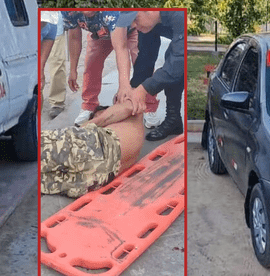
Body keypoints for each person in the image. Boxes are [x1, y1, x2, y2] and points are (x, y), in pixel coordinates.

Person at [61, 11, 155, 126]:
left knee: (142, 63)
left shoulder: (111, 11)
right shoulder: (69, 11)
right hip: (100, 34)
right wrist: (72, 70)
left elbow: (121, 48)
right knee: (91, 63)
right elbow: (74, 38)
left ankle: (149, 107)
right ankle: (89, 105)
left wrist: (124, 86)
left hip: (129, 31)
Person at [41, 100, 144, 198]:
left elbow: (129, 106)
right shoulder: (134, 130)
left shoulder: (130, 108)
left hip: (101, 145)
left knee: (37, 146)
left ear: (101, 112)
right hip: (102, 176)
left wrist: (84, 127)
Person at [116, 11, 184, 141]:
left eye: (135, 19)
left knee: (174, 61)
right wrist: (132, 91)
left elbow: (178, 62)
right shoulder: (146, 24)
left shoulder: (178, 14)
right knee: (166, 60)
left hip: (183, 33)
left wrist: (144, 89)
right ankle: (174, 121)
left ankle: (173, 117)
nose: (134, 26)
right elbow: (145, 59)